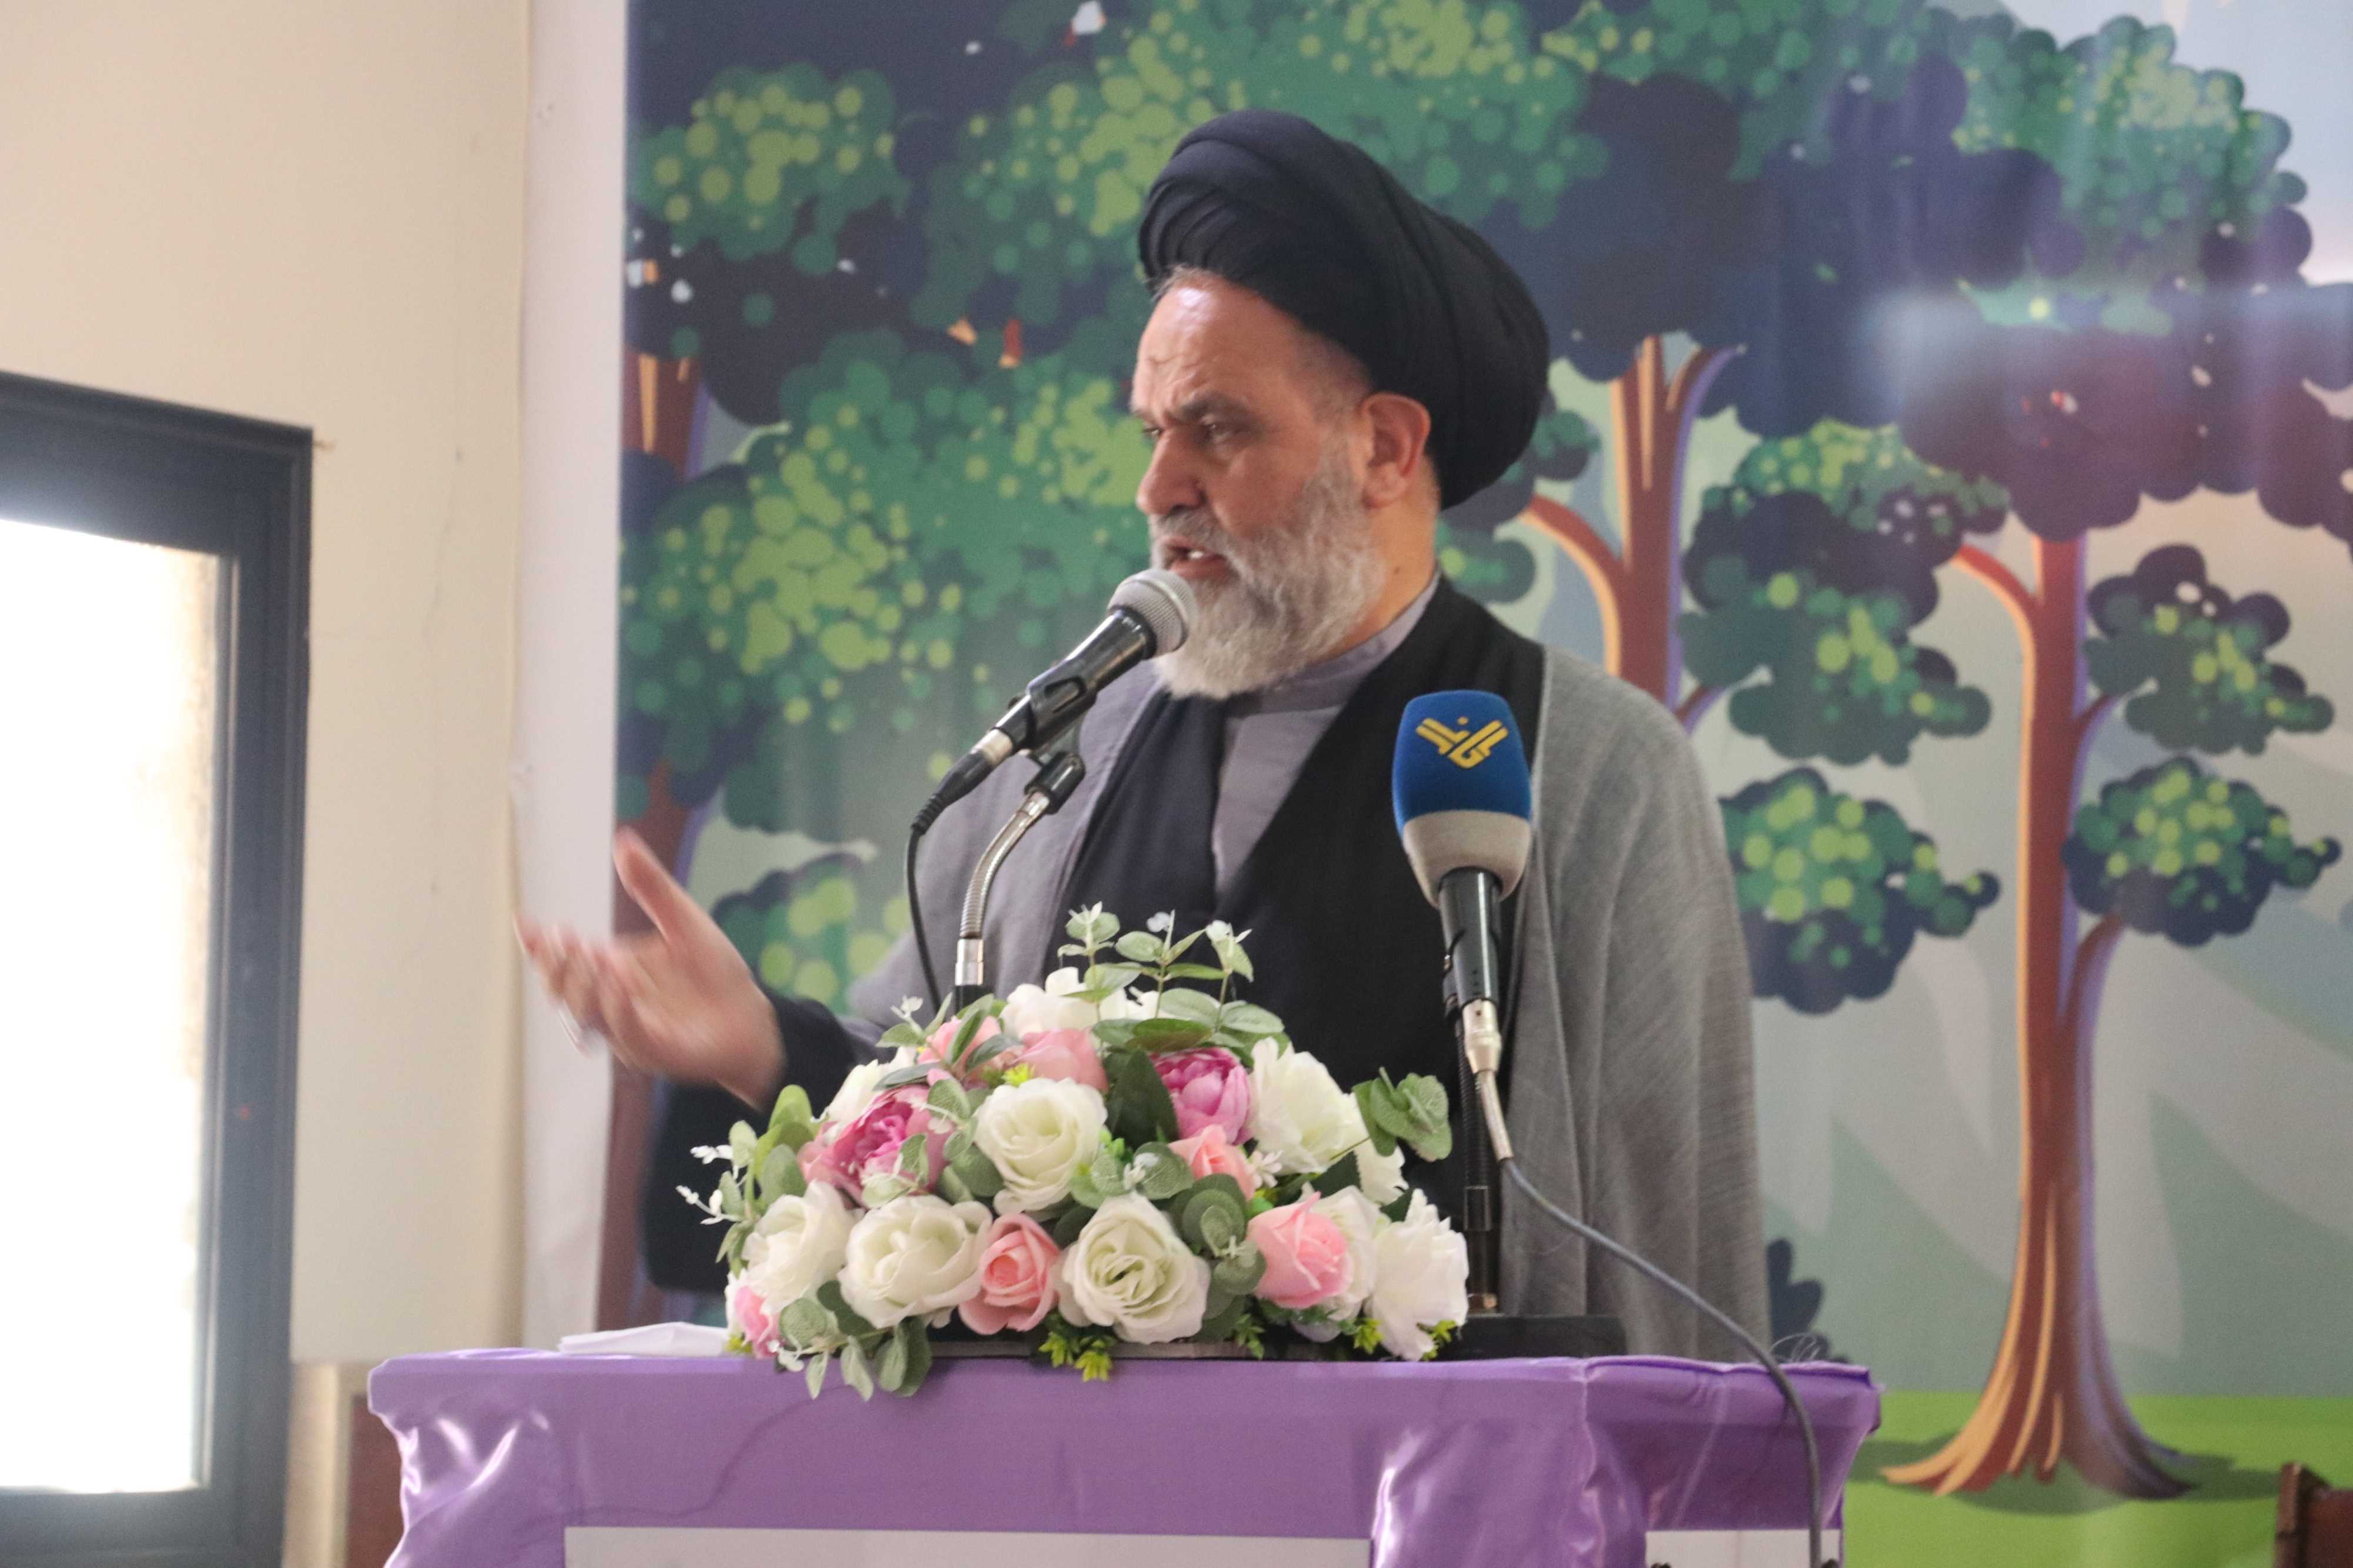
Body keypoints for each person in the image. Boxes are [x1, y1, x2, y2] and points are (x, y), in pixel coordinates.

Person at [521, 110, 1766, 1356]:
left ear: (1383, 448)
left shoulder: (1588, 765)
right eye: (1152, 431)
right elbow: (928, 1120)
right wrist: (758, 1044)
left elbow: (1660, 1224)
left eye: (1216, 428)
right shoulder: (1064, 759)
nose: (1158, 487)